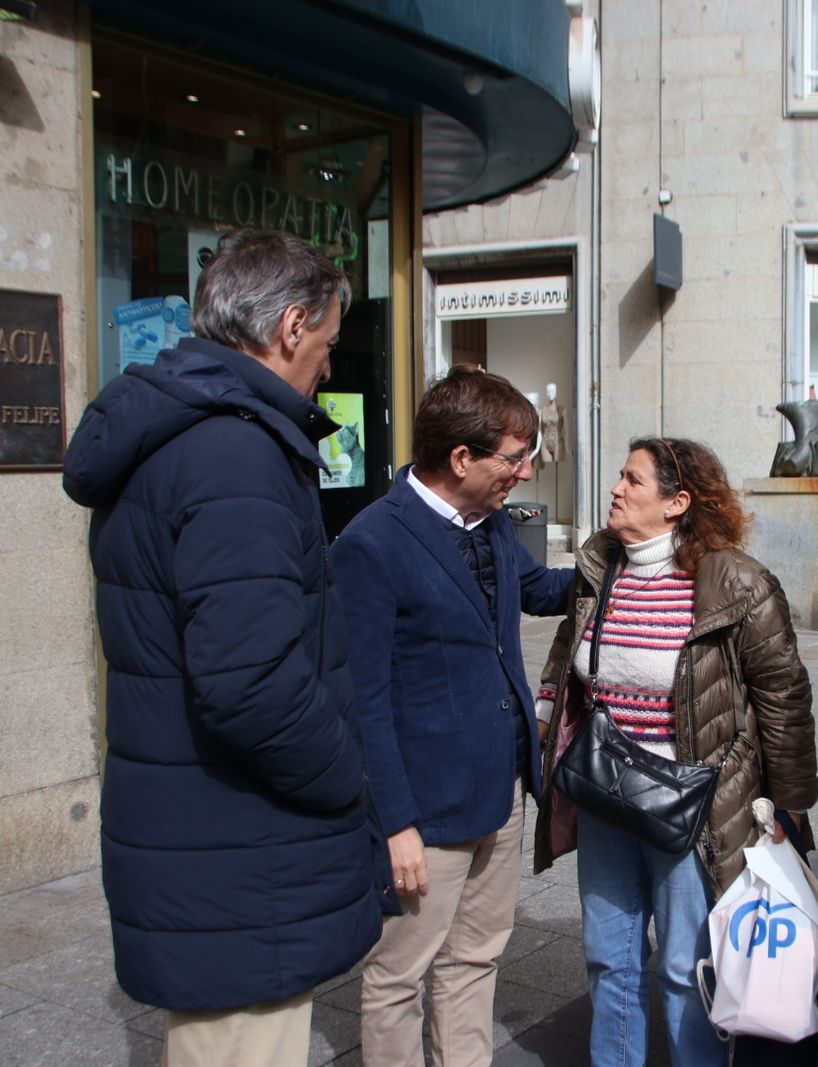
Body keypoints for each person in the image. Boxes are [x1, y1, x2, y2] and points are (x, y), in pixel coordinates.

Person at [61, 229, 392, 1067]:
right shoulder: (231, 451)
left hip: (212, 843)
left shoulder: (192, 433)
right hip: (241, 855)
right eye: (325, 342)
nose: (327, 364)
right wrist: (346, 776)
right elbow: (251, 684)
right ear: (289, 327)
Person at [532, 437, 818, 1067]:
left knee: (689, 965)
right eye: (620, 477)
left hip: (693, 801)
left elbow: (783, 698)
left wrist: (791, 808)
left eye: (633, 481)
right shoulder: (598, 570)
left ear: (677, 502)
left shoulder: (735, 581)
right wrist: (544, 727)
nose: (617, 489)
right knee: (610, 956)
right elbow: (566, 659)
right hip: (607, 790)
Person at [332, 365, 575, 1067]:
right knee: (398, 974)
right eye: (514, 456)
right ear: (461, 457)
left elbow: (538, 590)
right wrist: (396, 822)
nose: (525, 472)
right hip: (426, 812)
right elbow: (363, 698)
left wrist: (633, 557)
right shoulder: (372, 543)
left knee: (476, 958)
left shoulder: (492, 522)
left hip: (501, 790)